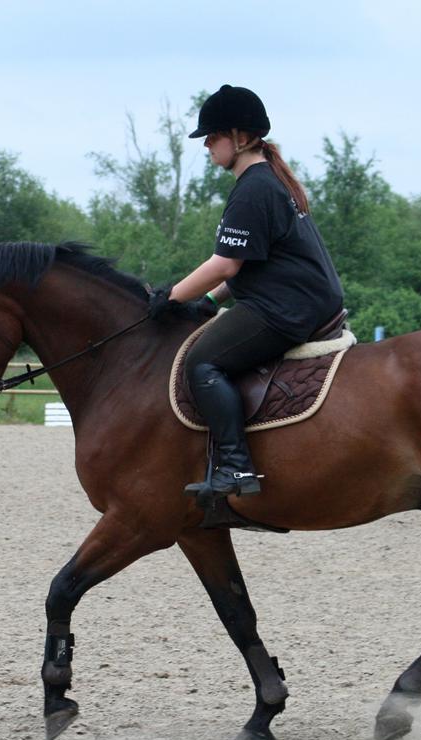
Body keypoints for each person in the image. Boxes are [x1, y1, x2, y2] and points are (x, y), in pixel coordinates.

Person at [147, 84, 344, 501]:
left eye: (212, 137)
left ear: (240, 137)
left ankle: (235, 468)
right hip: (299, 299)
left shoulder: (254, 187)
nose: (207, 147)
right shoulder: (267, 180)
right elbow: (247, 264)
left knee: (201, 362)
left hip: (285, 308)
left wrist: (170, 297)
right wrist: (211, 300)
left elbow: (225, 263)